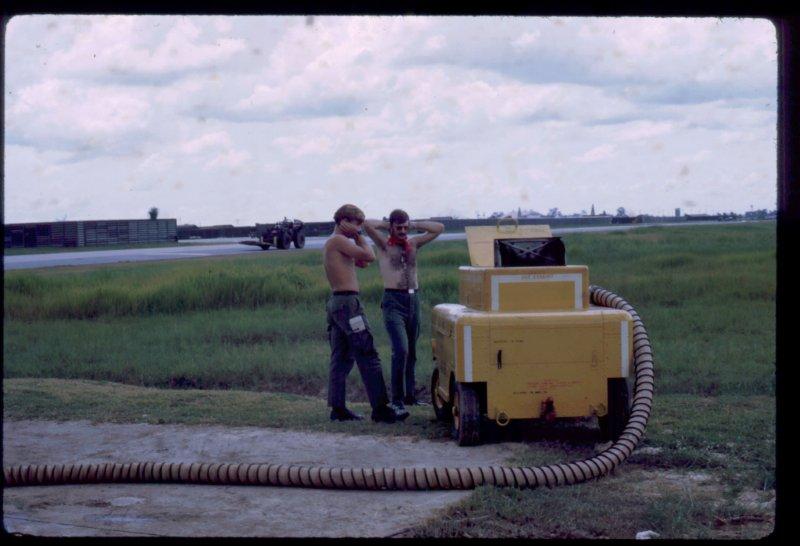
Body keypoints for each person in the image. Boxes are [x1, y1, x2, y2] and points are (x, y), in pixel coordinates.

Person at [323, 204, 409, 423]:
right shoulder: (338, 240)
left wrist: (356, 240)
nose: (359, 228)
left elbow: (361, 262)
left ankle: (338, 408)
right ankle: (380, 408)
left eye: (361, 224)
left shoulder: (337, 243)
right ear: (344, 221)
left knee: (341, 357)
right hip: (348, 304)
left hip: (338, 303)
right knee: (367, 352)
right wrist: (359, 236)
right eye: (356, 223)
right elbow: (370, 256)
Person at [363, 210, 444, 411]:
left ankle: (410, 397)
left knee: (412, 352)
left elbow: (439, 228)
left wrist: (413, 224)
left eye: (405, 227)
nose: (402, 231)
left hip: (413, 299)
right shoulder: (384, 244)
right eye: (398, 227)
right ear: (392, 227)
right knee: (401, 350)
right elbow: (367, 224)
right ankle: (397, 400)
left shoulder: (413, 243)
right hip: (393, 300)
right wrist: (387, 224)